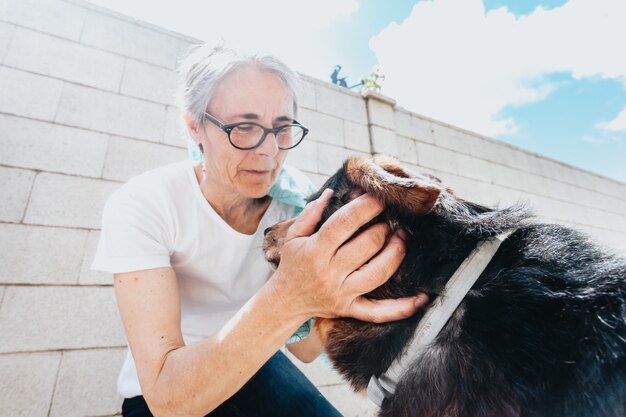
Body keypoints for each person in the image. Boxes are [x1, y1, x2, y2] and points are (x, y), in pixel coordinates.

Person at [92, 44, 428, 417]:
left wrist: (344, 292)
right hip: (166, 386)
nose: (269, 151)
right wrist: (292, 294)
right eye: (244, 127)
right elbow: (168, 399)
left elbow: (303, 348)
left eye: (282, 129)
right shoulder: (145, 203)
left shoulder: (300, 209)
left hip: (256, 362)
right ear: (194, 127)